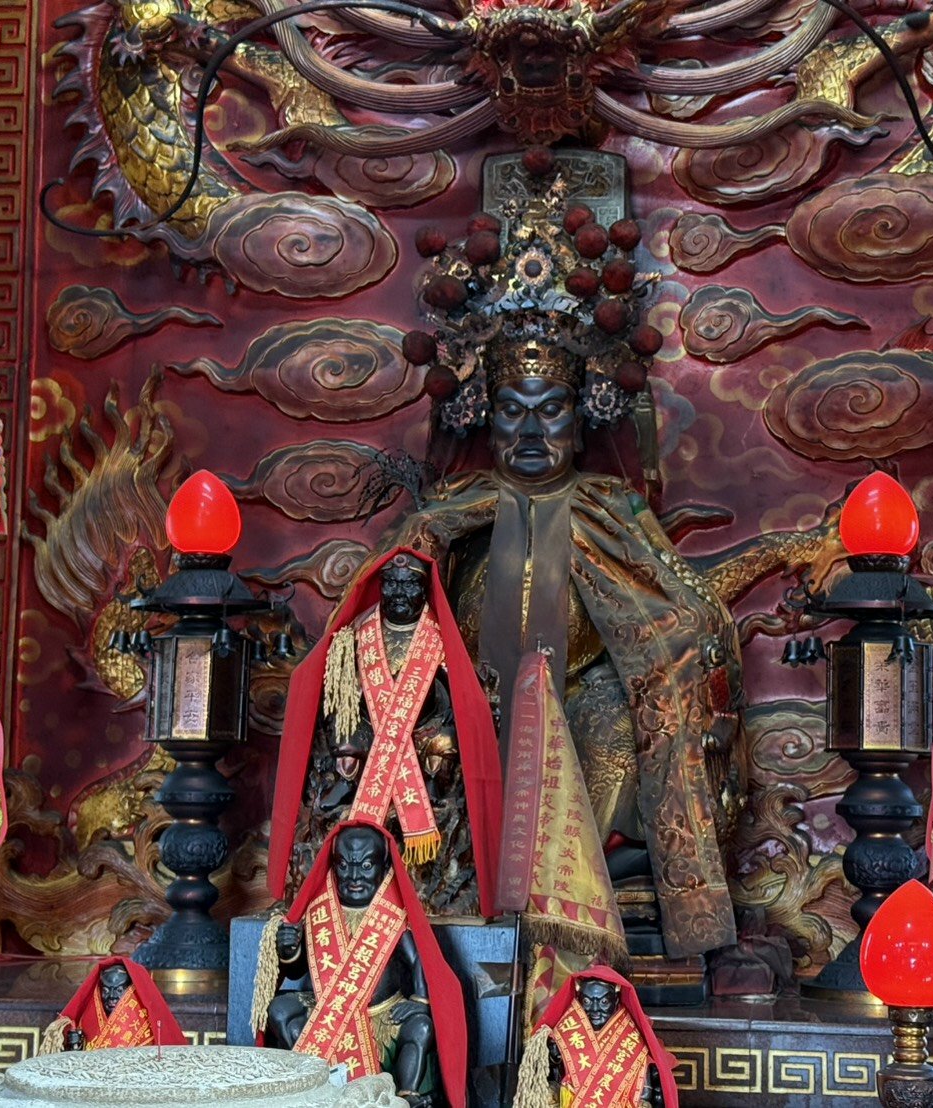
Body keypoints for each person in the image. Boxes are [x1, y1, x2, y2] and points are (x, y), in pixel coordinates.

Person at [367, 334, 743, 959]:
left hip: (582, 699)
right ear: (489, 421)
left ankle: (599, 878)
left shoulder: (609, 509)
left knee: (624, 728)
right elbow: (385, 612)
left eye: (550, 411)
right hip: (468, 703)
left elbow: (678, 610)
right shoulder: (451, 511)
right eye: (512, 410)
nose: (531, 431)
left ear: (578, 421)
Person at [269, 547, 502, 917]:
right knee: (345, 742)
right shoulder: (357, 636)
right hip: (368, 735)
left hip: (423, 735)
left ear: (424, 591)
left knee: (444, 747)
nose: (400, 593)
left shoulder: (438, 639)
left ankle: (428, 816)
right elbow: (336, 691)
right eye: (392, 584)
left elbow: (461, 698)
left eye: (409, 586)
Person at [254, 821, 468, 1108]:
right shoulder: (320, 911)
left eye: (366, 866)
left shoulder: (392, 913)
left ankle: (407, 1094)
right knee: (279, 1010)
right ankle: (312, 1079)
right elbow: (297, 970)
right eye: (344, 866)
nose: (354, 876)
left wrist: (419, 1001)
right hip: (329, 1008)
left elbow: (419, 959)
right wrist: (290, 950)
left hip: (383, 1013)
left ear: (384, 867)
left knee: (421, 1027)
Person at [514, 966, 677, 1108]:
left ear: (616, 1000)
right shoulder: (563, 1035)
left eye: (603, 1002)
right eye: (587, 1001)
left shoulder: (633, 1040)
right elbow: (548, 1080)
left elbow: (648, 1094)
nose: (595, 1009)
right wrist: (553, 1060)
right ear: (578, 999)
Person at [42, 956, 187, 1051]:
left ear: (131, 991)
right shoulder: (86, 1021)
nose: (111, 996)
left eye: (118, 990)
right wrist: (74, 1048)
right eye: (106, 990)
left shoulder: (148, 1025)